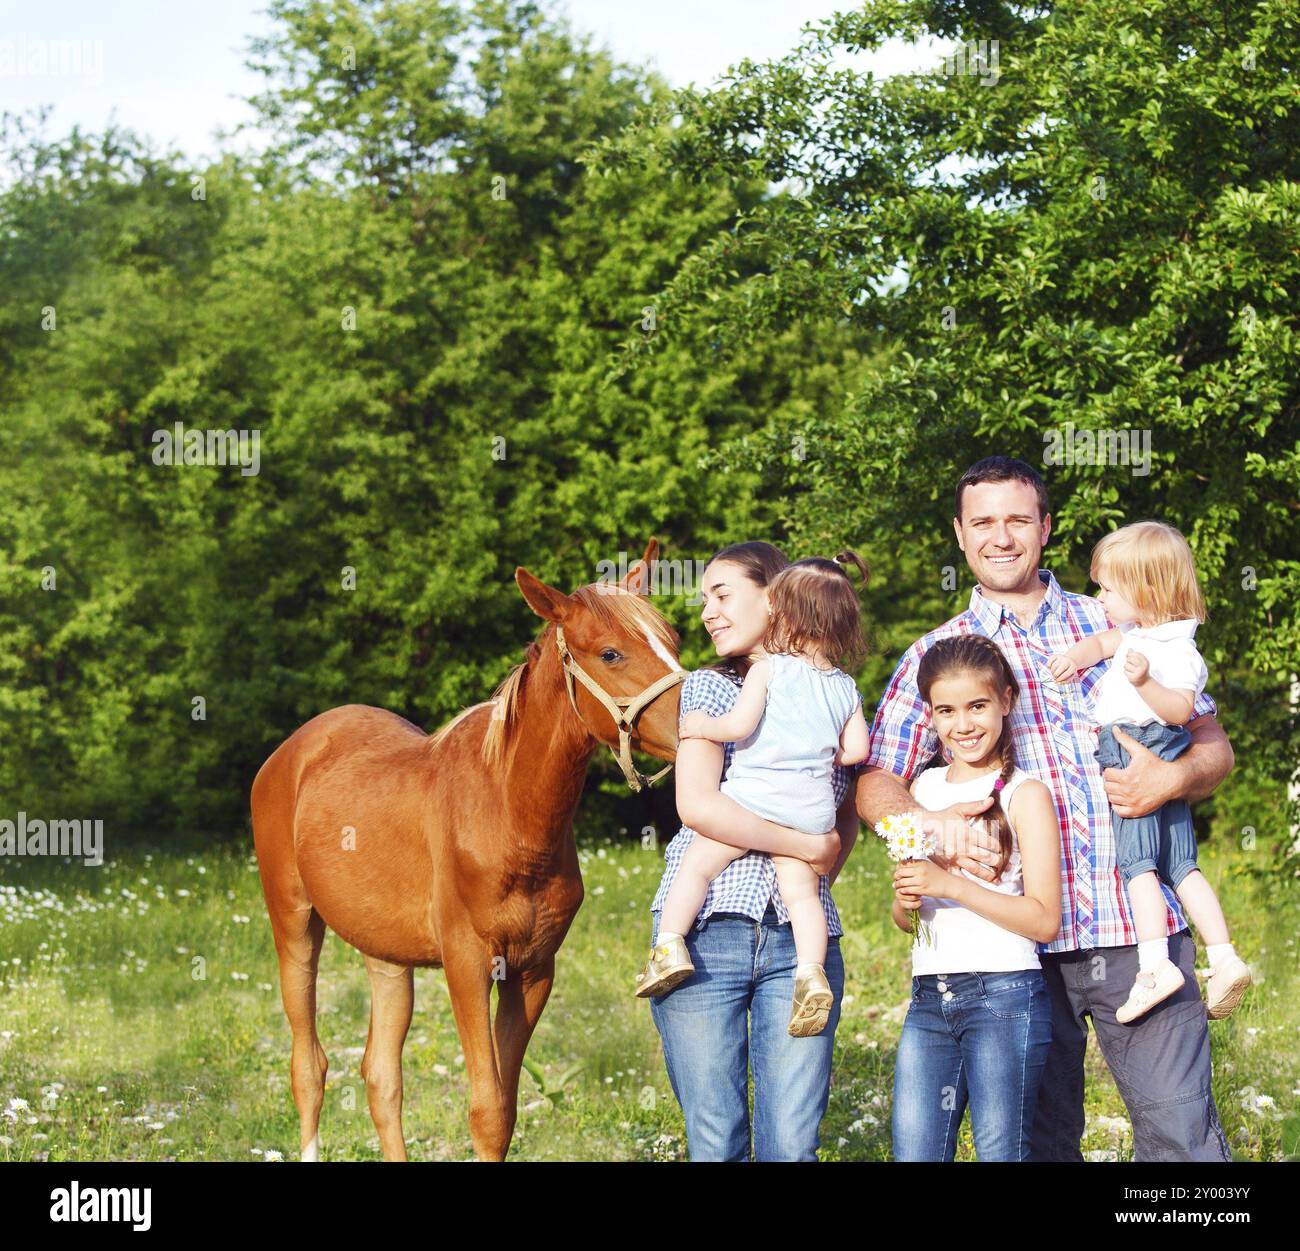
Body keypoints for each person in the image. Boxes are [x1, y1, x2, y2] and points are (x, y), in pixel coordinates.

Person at [858, 456, 1237, 1161]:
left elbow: (1214, 746)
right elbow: (876, 778)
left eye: (1017, 519)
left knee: (1181, 1140)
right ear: (960, 535)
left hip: (1135, 929)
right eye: (983, 522)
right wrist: (926, 829)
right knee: (1037, 1147)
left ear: (1045, 526)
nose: (1001, 537)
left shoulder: (1122, 621)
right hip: (1013, 955)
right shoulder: (935, 654)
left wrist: (1171, 777)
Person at [646, 541, 860, 1160]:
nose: (708, 612)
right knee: (715, 1139)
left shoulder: (829, 690)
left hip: (800, 937)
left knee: (793, 1144)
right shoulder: (710, 690)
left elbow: (843, 808)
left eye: (721, 594)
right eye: (704, 598)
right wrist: (807, 845)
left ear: (775, 597)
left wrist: (828, 853)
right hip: (706, 929)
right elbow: (699, 808)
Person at [1047, 521, 1251, 1023]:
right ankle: (1224, 958)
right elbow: (1102, 644)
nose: (1100, 598)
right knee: (1182, 865)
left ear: (1146, 590)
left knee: (1137, 866)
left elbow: (1181, 709)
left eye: (1109, 589)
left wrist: (1142, 684)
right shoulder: (1143, 633)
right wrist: (1076, 656)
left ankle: (1155, 965)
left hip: (1134, 749)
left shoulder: (1178, 652)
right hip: (1162, 756)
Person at [891, 634, 1061, 1160]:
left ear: (1006, 701)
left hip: (1005, 996)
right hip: (928, 997)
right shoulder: (921, 793)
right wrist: (908, 898)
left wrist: (951, 885)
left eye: (977, 706)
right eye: (946, 710)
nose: (962, 724)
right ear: (931, 715)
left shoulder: (1024, 794)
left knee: (999, 1151)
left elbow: (1044, 920)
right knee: (915, 1150)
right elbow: (903, 917)